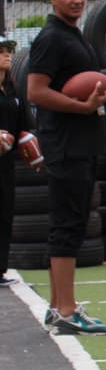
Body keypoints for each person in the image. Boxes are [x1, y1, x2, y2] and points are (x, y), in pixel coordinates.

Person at [25, 0, 106, 334]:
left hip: (82, 142)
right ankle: (66, 310)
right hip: (65, 144)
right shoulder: (51, 38)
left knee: (73, 223)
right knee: (67, 225)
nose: (77, 0)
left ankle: (57, 307)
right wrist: (84, 108)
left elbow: (86, 91)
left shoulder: (75, 37)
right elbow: (36, 91)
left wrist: (105, 103)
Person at [0, 36, 24, 286]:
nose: (7, 55)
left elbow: (22, 127)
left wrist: (28, 141)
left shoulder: (11, 90)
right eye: (1, 51)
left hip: (6, 163)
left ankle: (0, 269)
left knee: (5, 213)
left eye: (8, 51)